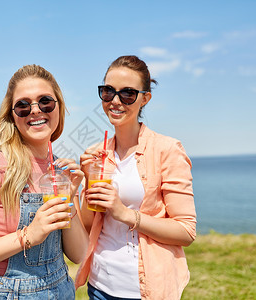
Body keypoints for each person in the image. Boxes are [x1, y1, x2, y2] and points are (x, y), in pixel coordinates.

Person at [0, 64, 88, 299]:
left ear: (58, 107)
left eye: (45, 102)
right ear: (12, 115)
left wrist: (68, 202)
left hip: (61, 289)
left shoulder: (60, 168)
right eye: (23, 105)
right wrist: (28, 235)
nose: (35, 110)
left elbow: (80, 254)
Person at [75, 55, 197, 300]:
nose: (116, 101)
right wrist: (87, 183)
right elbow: (87, 226)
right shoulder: (95, 154)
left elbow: (186, 231)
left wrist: (125, 213)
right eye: (108, 91)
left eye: (128, 93)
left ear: (145, 98)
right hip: (100, 286)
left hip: (147, 290)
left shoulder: (167, 150)